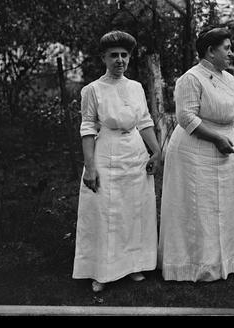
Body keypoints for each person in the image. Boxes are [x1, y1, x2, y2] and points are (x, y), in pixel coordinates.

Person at [158, 27, 234, 281]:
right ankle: (195, 263)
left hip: (226, 148)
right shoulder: (191, 79)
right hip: (195, 151)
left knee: (224, 204)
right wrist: (215, 138)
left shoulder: (229, 79)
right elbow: (185, 117)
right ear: (210, 52)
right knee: (198, 206)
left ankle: (228, 259)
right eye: (227, 48)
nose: (231, 53)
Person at [72, 30, 162, 292]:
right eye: (114, 55)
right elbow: (88, 128)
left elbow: (145, 121)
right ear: (104, 58)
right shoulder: (92, 90)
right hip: (106, 153)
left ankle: (133, 265)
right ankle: (102, 270)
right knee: (105, 212)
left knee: (134, 211)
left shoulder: (135, 88)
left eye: (124, 55)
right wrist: (90, 167)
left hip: (135, 154)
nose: (120, 60)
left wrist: (156, 152)